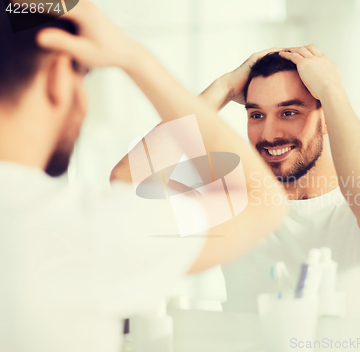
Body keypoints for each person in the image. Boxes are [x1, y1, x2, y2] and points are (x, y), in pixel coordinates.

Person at [0, 2, 287, 351]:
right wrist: (133, 58)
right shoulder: (75, 229)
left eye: (289, 112)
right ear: (60, 74)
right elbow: (263, 201)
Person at [114, 47, 360, 318]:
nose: (269, 134)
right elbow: (128, 182)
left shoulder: (357, 197)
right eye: (256, 115)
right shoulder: (237, 191)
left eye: (289, 112)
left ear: (327, 116)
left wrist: (332, 91)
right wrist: (224, 88)